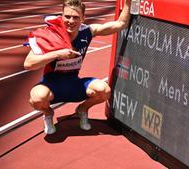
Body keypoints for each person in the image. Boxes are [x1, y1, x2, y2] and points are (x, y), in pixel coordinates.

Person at [24, 0, 131, 134]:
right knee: (37, 98)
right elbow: (28, 64)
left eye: (75, 17)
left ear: (83, 18)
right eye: (67, 16)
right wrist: (57, 54)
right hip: (51, 85)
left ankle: (82, 109)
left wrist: (128, 3)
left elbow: (120, 24)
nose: (71, 21)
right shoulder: (50, 35)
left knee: (104, 91)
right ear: (61, 16)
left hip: (74, 84)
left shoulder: (88, 32)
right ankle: (48, 113)